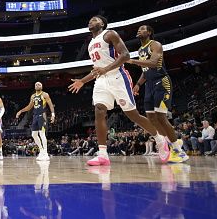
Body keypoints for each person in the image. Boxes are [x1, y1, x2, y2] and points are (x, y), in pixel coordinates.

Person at [68, 16, 163, 166]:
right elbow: (97, 70)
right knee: (99, 110)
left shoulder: (109, 34)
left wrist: (105, 69)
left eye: (94, 20)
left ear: (102, 24)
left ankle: (159, 139)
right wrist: (82, 81)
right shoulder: (90, 44)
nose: (90, 21)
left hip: (118, 76)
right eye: (90, 20)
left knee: (133, 115)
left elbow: (125, 56)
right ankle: (103, 154)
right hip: (101, 80)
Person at [128, 25, 189, 163]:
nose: (139, 30)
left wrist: (132, 61)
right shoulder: (140, 50)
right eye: (138, 29)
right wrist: (137, 84)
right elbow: (145, 70)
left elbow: (154, 63)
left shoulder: (155, 45)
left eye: (143, 29)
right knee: (151, 117)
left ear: (149, 32)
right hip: (149, 84)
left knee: (161, 117)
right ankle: (165, 144)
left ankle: (179, 150)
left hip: (161, 81)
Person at [16, 82, 55, 161]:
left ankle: (45, 153)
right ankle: (41, 151)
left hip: (42, 116)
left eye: (39, 84)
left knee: (42, 134)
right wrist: (20, 111)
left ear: (42, 86)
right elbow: (29, 106)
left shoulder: (45, 94)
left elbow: (50, 104)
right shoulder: (33, 96)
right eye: (36, 85)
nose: (37, 85)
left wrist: (53, 115)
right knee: (34, 134)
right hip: (35, 116)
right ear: (34, 87)